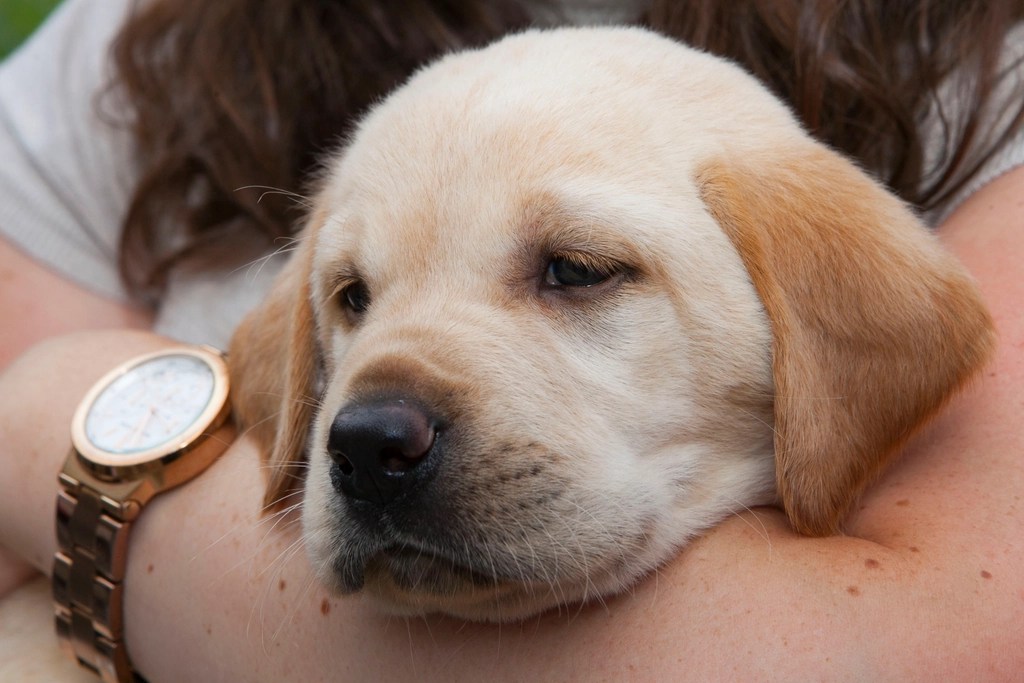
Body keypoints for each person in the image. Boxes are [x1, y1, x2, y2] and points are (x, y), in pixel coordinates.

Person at [1, 0, 1022, 679]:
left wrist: (59, 423)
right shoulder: (141, 36)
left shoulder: (986, 60)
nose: (374, 426)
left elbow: (918, 644)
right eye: (355, 295)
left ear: (822, 335)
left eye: (574, 271)